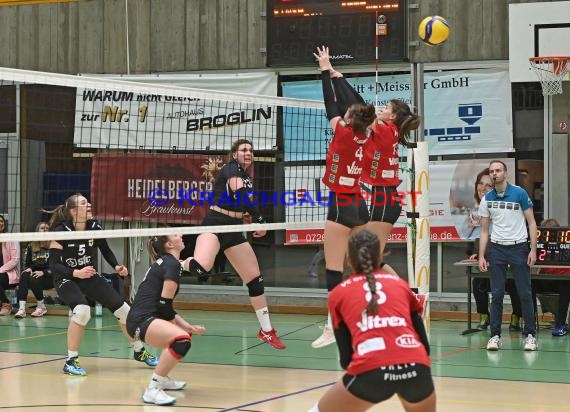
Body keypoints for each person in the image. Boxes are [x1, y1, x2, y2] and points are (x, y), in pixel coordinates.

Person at [308, 230, 435, 412]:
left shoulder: (339, 294)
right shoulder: (400, 286)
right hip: (416, 368)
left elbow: (346, 360)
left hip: (371, 371)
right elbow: (425, 346)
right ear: (381, 258)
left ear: (349, 260)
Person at [184, 139, 285, 350]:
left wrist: (249, 217)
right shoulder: (231, 169)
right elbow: (241, 195)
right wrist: (260, 219)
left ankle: (266, 330)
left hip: (233, 228)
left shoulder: (246, 175)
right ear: (234, 154)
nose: (248, 153)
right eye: (244, 150)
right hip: (215, 224)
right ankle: (176, 263)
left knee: (255, 280)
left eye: (251, 150)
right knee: (202, 267)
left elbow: (242, 200)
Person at [320, 61, 421, 263]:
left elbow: (359, 107)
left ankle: (398, 294)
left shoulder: (385, 129)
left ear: (392, 116)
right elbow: (360, 105)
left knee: (369, 260)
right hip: (383, 197)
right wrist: (338, 79)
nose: (381, 109)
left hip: (384, 199)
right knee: (366, 260)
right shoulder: (389, 130)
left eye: (386, 108)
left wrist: (335, 78)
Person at [47, 194, 158, 375]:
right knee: (82, 312)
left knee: (125, 311)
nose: (89, 204)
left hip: (88, 275)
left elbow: (105, 248)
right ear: (73, 211)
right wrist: (76, 272)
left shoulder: (93, 226)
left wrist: (116, 266)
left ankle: (139, 351)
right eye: (84, 203)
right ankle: (70, 361)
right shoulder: (61, 231)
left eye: (88, 201)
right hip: (67, 278)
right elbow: (54, 265)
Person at [310, 46, 375, 349]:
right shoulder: (366, 134)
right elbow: (357, 104)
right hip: (360, 203)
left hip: (340, 204)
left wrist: (326, 70)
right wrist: (337, 75)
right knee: (362, 266)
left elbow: (330, 103)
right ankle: (367, 316)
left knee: (334, 269)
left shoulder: (343, 132)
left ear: (349, 118)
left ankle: (331, 326)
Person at [127, 234, 205, 406]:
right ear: (170, 245)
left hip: (143, 318)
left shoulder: (168, 263)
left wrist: (187, 327)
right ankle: (153, 390)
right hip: (141, 320)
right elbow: (164, 306)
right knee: (181, 340)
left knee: (182, 337)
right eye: (176, 235)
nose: (181, 235)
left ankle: (163, 380)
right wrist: (184, 328)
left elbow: (163, 306)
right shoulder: (171, 264)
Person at [478, 160, 538, 351]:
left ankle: (530, 335)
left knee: (525, 293)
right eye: (492, 171)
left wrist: (533, 250)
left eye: (498, 170)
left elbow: (532, 223)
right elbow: (485, 231)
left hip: (519, 248)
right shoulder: (487, 198)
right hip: (497, 250)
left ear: (506, 173)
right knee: (496, 294)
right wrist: (481, 256)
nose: (494, 174)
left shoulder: (519, 193)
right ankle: (495, 335)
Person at [464, 169, 523, 331]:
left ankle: (516, 317)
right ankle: (484, 316)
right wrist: (477, 254)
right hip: (490, 265)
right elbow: (477, 239)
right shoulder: (475, 213)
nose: (483, 188)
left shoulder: (507, 208)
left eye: (488, 185)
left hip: (508, 261)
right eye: (481, 184)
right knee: (478, 282)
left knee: (515, 284)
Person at [534, 218, 570, 337]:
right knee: (529, 282)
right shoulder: (540, 246)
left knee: (566, 284)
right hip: (546, 279)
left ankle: (560, 325)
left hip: (563, 281)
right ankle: (531, 323)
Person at [14, 221, 53, 318]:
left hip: (50, 277)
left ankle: (41, 306)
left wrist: (43, 272)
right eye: (42, 228)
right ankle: (22, 309)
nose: (45, 230)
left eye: (47, 228)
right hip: (35, 275)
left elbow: (56, 267)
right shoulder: (31, 246)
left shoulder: (54, 245)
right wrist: (29, 268)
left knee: (32, 278)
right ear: (37, 231)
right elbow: (27, 264)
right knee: (24, 274)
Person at [0, 215, 20, 316]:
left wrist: (1, 269)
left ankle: (6, 304)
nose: (0, 223)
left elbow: (15, 260)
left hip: (9, 274)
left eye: (1, 221)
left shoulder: (11, 238)